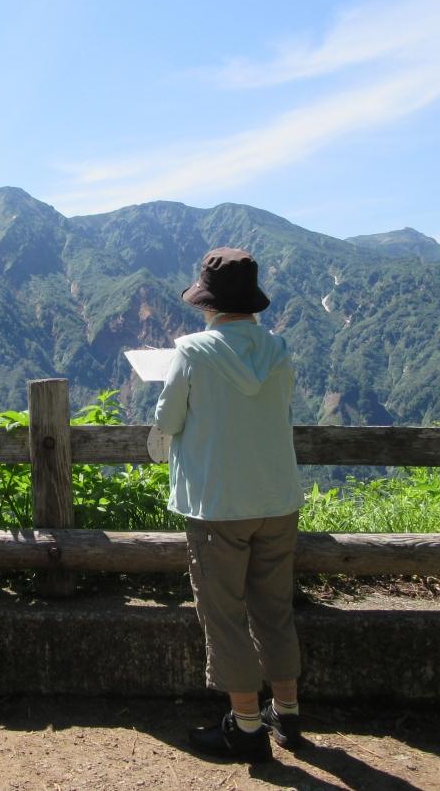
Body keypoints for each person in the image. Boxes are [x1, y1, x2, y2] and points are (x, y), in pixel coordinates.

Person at [153, 247, 304, 763]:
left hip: (217, 504)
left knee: (225, 616)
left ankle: (245, 727)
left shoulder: (192, 352)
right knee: (274, 610)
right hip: (277, 499)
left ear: (208, 303)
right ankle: (287, 713)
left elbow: (169, 420)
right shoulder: (277, 349)